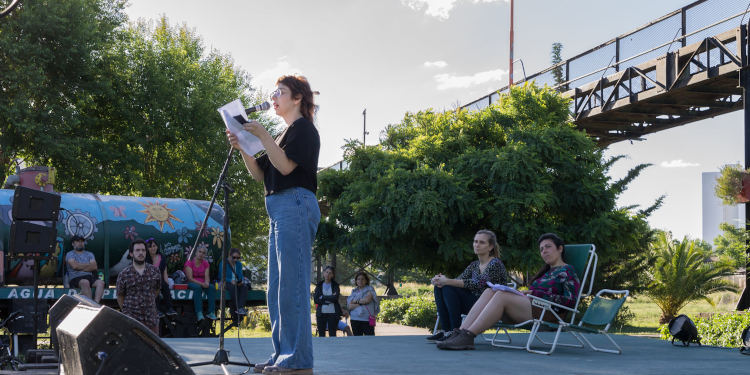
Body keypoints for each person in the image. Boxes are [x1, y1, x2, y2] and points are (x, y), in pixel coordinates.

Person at [228, 75, 320, 375]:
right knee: (278, 288)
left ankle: (297, 360)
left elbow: (285, 166)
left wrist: (263, 136)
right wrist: (242, 146)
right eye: (273, 92)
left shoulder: (303, 129)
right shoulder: (282, 135)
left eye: (280, 92)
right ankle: (283, 355)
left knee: (292, 285)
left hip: (295, 204)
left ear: (297, 98)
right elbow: (260, 174)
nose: (274, 96)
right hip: (279, 209)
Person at [437, 233, 581, 350]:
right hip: (531, 307)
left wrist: (535, 294)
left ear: (560, 249)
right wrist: (525, 293)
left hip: (548, 313)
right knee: (490, 291)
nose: (544, 251)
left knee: (501, 295)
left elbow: (571, 301)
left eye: (548, 247)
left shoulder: (567, 271)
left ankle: (468, 336)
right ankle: (460, 333)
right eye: (542, 249)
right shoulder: (545, 272)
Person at [427, 229, 508, 342]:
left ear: (490, 247)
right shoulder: (474, 265)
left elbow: (478, 284)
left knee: (448, 286)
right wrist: (438, 280)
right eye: (475, 241)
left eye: (481, 242)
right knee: (442, 287)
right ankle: (447, 331)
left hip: (488, 306)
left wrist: (447, 281)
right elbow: (458, 280)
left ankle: (455, 332)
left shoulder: (495, 264)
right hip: (473, 303)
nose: (477, 245)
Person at [116, 239, 162, 334]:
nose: (141, 253)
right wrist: (127, 312)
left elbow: (157, 290)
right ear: (131, 254)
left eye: (143, 250)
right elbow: (120, 296)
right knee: (132, 348)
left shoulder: (155, 271)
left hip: (151, 319)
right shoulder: (124, 274)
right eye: (137, 250)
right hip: (132, 320)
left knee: (152, 348)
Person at [65, 235, 105, 303]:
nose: (80, 243)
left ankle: (96, 303)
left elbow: (94, 267)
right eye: (77, 241)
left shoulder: (90, 254)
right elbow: (74, 266)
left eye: (82, 241)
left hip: (89, 277)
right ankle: (90, 304)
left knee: (101, 283)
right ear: (72, 243)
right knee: (85, 282)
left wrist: (79, 266)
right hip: (76, 278)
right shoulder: (70, 254)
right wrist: (88, 266)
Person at [184, 246, 217, 321]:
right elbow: (190, 278)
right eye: (200, 252)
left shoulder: (205, 263)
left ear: (205, 255)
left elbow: (207, 276)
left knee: (211, 287)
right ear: (196, 253)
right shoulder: (189, 262)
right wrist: (202, 284)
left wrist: (207, 282)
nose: (201, 254)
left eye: (203, 253)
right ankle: (199, 313)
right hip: (192, 282)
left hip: (202, 282)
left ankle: (211, 312)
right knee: (197, 288)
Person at [145, 238, 176, 317]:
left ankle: (170, 309)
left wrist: (166, 283)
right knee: (155, 289)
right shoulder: (145, 259)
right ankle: (157, 310)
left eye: (154, 246)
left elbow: (164, 271)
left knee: (165, 286)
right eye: (150, 247)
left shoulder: (161, 257)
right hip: (149, 281)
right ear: (147, 248)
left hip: (160, 279)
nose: (153, 248)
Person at [346, 271, 379, 336]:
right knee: (357, 341)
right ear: (356, 281)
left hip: (367, 319)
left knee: (370, 341)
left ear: (366, 280)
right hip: (355, 319)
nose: (360, 281)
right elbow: (349, 306)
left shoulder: (370, 289)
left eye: (362, 279)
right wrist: (361, 302)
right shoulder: (354, 291)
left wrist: (355, 302)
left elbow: (367, 300)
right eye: (358, 279)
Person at [313, 265, 342, 337]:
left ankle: (333, 348)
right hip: (321, 314)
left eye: (330, 273)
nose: (328, 274)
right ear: (323, 273)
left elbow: (335, 298)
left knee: (332, 334)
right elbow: (316, 300)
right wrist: (330, 298)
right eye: (326, 272)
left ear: (332, 275)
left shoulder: (335, 285)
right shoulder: (319, 285)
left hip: (333, 313)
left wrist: (323, 297)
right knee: (321, 334)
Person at [220, 248, 248, 316]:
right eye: (234, 257)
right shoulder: (223, 263)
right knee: (232, 288)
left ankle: (240, 308)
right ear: (229, 256)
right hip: (226, 282)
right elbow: (221, 276)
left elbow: (240, 275)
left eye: (238, 258)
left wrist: (240, 281)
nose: (236, 259)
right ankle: (238, 308)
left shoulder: (239, 264)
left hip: (236, 282)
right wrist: (230, 280)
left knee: (244, 287)